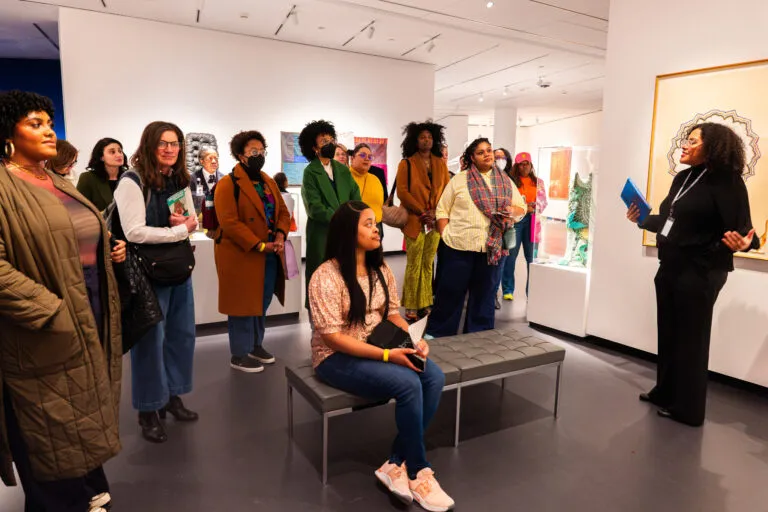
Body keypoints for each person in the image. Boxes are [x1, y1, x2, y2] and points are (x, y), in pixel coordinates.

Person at [0, 90, 125, 511]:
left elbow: (68, 238)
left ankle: (88, 491)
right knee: (47, 427)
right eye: (34, 124)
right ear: (8, 136)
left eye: (49, 122)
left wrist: (106, 248)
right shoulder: (3, 185)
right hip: (42, 329)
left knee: (79, 416)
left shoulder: (53, 179)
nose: (49, 130)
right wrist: (50, 310)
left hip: (85, 314)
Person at [309, 201, 454, 511]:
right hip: (336, 357)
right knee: (407, 383)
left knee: (434, 376)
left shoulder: (380, 268)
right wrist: (388, 355)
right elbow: (332, 338)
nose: (376, 229)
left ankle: (394, 462)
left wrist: (412, 340)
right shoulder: (326, 275)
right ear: (348, 232)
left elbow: (392, 313)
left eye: (375, 223)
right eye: (367, 224)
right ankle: (417, 470)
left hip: (379, 346)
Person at [627, 123, 758, 427]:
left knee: (691, 340)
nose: (684, 145)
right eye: (685, 139)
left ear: (712, 146)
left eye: (692, 141)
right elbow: (672, 221)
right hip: (671, 265)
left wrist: (747, 242)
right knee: (669, 331)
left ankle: (688, 408)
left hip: (701, 270)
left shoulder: (728, 181)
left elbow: (743, 228)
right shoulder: (684, 177)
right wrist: (642, 220)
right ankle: (665, 391)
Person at [113, 121, 199, 443]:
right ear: (149, 146)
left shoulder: (177, 179)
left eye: (174, 144)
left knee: (181, 335)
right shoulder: (131, 181)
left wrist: (184, 223)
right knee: (150, 342)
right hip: (148, 275)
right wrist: (179, 229)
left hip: (177, 270)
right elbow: (134, 231)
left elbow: (189, 219)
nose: (169, 149)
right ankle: (149, 409)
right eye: (163, 143)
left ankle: (171, 396)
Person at [427, 138, 526, 338]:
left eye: (489, 150)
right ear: (472, 157)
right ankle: (438, 334)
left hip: (492, 249)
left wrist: (511, 210)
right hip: (459, 247)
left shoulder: (506, 181)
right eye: (481, 152)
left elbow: (521, 208)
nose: (487, 154)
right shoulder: (459, 180)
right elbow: (442, 210)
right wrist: (446, 234)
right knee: (450, 293)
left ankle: (478, 335)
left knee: (484, 296)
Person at [214, 131, 291, 373]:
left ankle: (255, 345)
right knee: (241, 304)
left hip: (268, 252)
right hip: (242, 253)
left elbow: (282, 212)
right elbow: (229, 222)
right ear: (240, 155)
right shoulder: (228, 184)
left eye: (262, 151)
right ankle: (238, 353)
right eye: (253, 152)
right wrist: (258, 244)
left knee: (261, 301)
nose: (259, 156)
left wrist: (279, 234)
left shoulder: (268, 180)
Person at [300, 120, 361, 308]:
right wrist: (339, 218)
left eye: (331, 139)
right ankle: (318, 308)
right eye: (324, 141)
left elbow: (355, 194)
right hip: (322, 232)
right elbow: (314, 207)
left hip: (345, 231)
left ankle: (342, 305)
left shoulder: (342, 169)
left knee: (344, 272)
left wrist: (352, 215)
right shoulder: (310, 172)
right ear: (314, 148)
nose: (329, 144)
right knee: (321, 271)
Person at [397, 121, 450, 321]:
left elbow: (447, 191)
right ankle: (411, 304)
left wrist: (436, 212)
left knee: (428, 263)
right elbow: (402, 192)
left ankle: (425, 302)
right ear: (415, 140)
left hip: (434, 222)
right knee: (414, 264)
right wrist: (422, 211)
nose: (426, 140)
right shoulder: (407, 163)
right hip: (414, 221)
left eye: (429, 137)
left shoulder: (440, 163)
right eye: (422, 137)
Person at [499, 150, 547, 301]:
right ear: (517, 166)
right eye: (521, 164)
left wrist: (534, 207)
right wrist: (526, 207)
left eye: (527, 164)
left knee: (531, 258)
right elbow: (508, 201)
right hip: (516, 221)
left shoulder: (539, 182)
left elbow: (543, 201)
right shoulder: (511, 181)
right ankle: (507, 289)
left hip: (533, 222)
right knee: (510, 256)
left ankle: (530, 292)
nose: (525, 167)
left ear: (531, 165)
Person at [77, 137, 128, 211]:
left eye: (120, 151)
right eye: (112, 152)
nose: (119, 155)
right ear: (101, 157)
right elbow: (80, 209)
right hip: (100, 222)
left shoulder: (128, 177)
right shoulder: (88, 178)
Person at [349, 143, 385, 237]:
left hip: (375, 226)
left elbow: (381, 204)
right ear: (352, 158)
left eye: (370, 156)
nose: (367, 158)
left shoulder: (375, 179)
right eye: (362, 155)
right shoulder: (344, 177)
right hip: (352, 227)